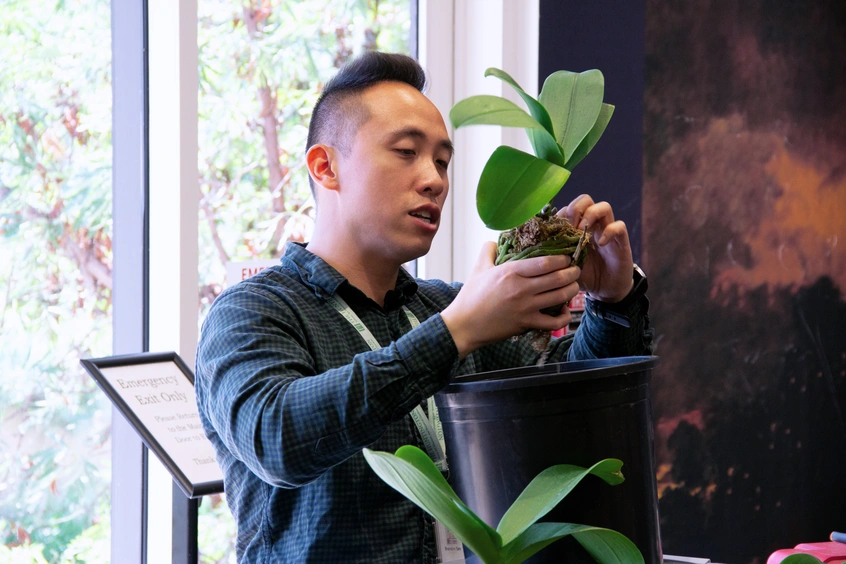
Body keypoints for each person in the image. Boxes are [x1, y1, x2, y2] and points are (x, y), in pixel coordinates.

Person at [194, 52, 652, 563]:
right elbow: (277, 439)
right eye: (406, 152)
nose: (434, 179)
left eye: (441, 160)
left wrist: (612, 303)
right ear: (326, 167)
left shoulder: (447, 305)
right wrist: (453, 333)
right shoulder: (253, 311)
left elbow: (574, 411)